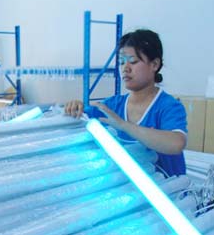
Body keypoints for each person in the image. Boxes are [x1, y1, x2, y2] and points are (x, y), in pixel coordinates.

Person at [64, 29, 187, 176]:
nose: (125, 68)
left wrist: (123, 125)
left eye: (133, 61)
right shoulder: (112, 106)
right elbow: (76, 119)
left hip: (166, 188)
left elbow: (176, 143)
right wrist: (74, 107)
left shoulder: (168, 106)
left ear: (154, 64)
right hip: (128, 188)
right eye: (121, 62)